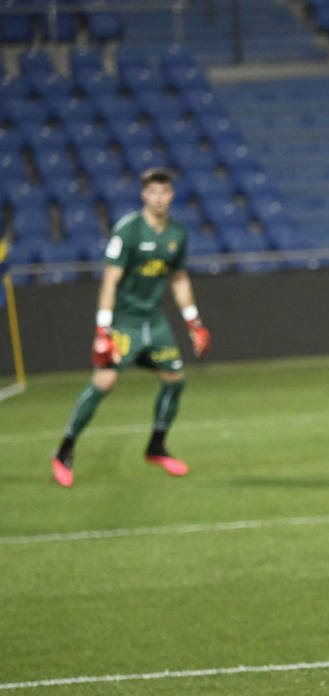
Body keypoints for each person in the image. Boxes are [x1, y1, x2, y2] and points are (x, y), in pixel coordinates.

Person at [51, 167, 210, 487]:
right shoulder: (128, 231)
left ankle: (156, 447)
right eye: (153, 192)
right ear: (144, 195)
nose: (159, 198)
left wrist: (194, 322)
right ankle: (64, 452)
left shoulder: (177, 234)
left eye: (164, 192)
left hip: (155, 322)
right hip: (125, 323)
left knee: (175, 380)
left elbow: (178, 278)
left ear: (171, 195)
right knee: (104, 382)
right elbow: (110, 280)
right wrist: (103, 330)